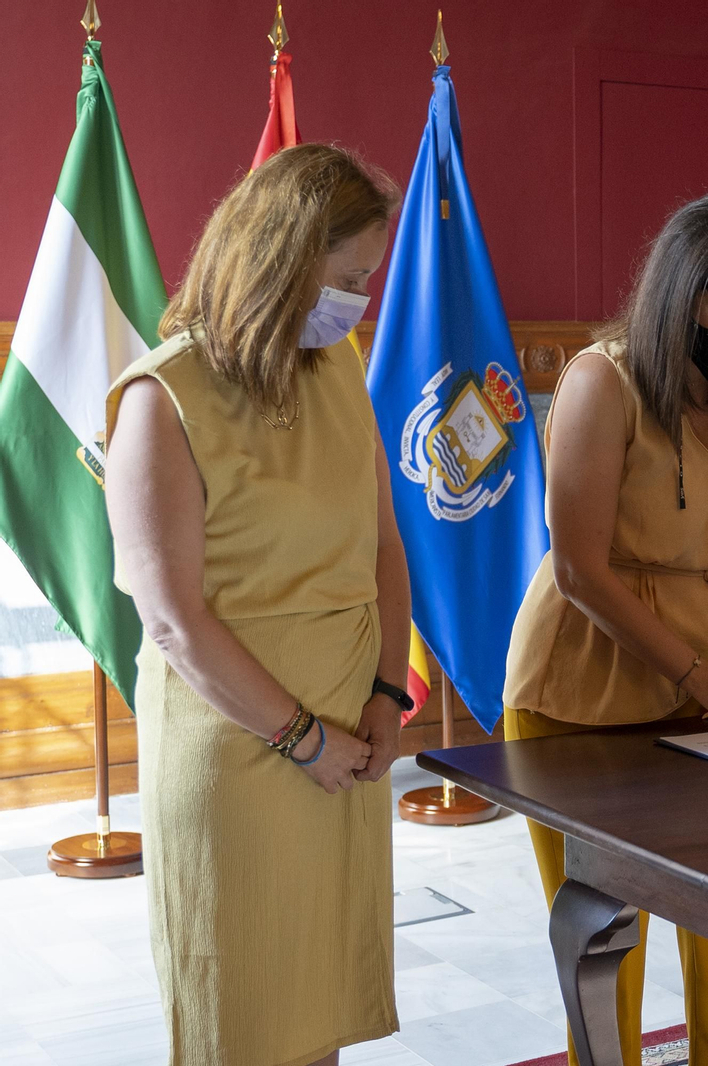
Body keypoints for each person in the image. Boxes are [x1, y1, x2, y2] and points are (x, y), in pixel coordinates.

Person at [502, 190, 708, 1066]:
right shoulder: (601, 381)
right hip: (583, 684)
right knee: (606, 935)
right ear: (680, 294)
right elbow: (579, 569)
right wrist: (697, 676)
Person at [104, 144, 409, 1066]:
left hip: (348, 734)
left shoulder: (337, 364)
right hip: (241, 747)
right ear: (280, 259)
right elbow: (173, 620)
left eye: (366, 280)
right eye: (347, 278)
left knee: (319, 1013)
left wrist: (388, 692)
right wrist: (303, 739)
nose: (358, 300)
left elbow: (384, 545)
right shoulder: (165, 395)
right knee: (242, 1018)